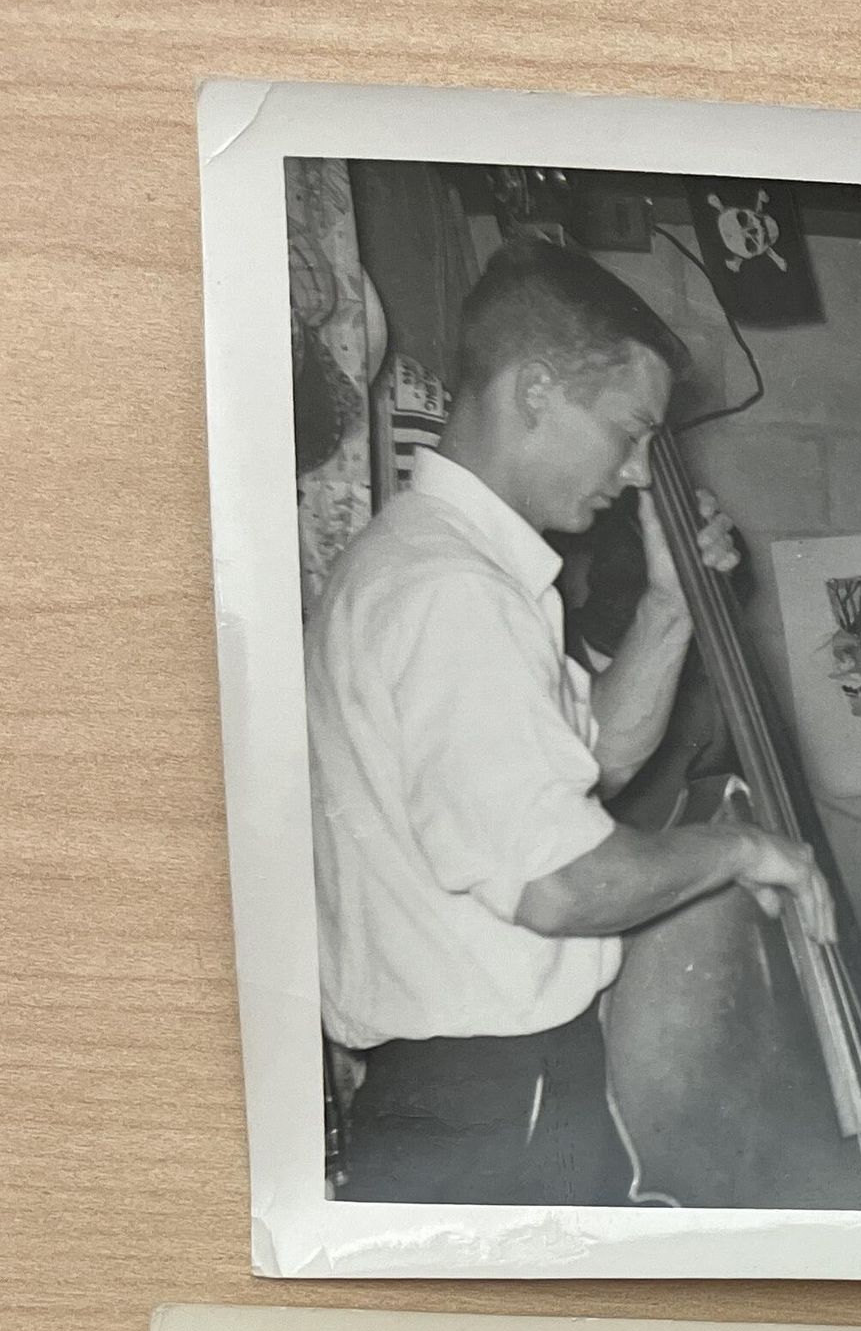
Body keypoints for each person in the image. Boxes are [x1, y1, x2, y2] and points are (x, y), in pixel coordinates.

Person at [307, 237, 833, 1205]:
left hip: (474, 1097)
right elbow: (556, 884)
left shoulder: (428, 564)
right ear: (536, 391)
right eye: (628, 432)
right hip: (498, 1102)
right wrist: (744, 849)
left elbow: (595, 761)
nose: (637, 473)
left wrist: (671, 606)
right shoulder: (453, 593)